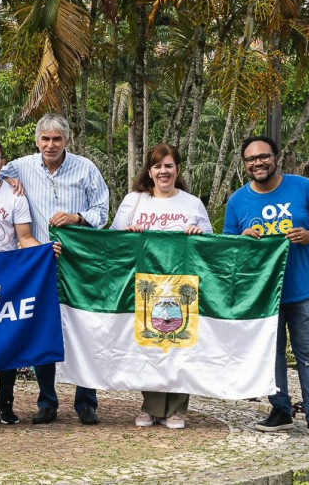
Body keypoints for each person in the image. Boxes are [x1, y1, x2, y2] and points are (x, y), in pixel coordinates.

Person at [223, 135, 309, 439]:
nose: (258, 163)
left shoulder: (303, 187)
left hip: (304, 290)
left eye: (263, 156)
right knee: (271, 353)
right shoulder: (238, 200)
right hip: (264, 293)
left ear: (275, 158)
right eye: (251, 159)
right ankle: (280, 411)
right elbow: (228, 245)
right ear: (245, 165)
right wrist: (244, 239)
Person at [0, 113, 109, 426]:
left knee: (83, 329)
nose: (50, 145)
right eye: (45, 139)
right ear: (37, 141)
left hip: (80, 263)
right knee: (43, 330)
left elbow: (102, 209)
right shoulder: (20, 166)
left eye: (57, 139)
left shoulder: (85, 168)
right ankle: (47, 401)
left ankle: (86, 402)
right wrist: (8, 179)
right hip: (39, 264)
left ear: (66, 141)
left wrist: (77, 217)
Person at [110, 143, 212, 430]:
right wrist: (129, 236)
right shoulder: (134, 201)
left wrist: (197, 233)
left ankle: (177, 409)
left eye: (168, 165)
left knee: (180, 343)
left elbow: (210, 245)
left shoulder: (192, 203)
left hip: (183, 287)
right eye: (157, 166)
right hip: (145, 285)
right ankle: (150, 406)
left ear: (177, 168)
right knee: (149, 344)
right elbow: (113, 242)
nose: (163, 171)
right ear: (149, 171)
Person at [0, 137, 61, 425]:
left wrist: (44, 250)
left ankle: (5, 402)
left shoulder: (16, 196)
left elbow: (24, 236)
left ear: (3, 162)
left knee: (7, 339)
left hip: (7, 278)